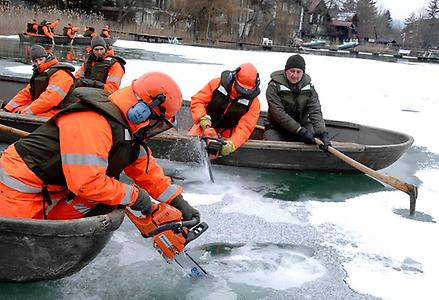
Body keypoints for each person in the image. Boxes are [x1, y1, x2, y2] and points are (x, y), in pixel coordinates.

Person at [0, 71, 200, 223]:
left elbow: (148, 173)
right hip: (20, 187)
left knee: (107, 198)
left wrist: (178, 203)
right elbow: (87, 183)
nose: (156, 128)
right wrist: (136, 196)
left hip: (54, 187)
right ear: (142, 111)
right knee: (17, 244)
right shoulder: (92, 122)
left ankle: (57, 229)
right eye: (158, 122)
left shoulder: (127, 132)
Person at [189, 63, 261, 157]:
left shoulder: (254, 104)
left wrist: (232, 144)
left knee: (222, 152)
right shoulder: (216, 83)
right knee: (190, 144)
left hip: (228, 136)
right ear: (234, 77)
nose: (242, 92)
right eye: (240, 88)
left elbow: (245, 129)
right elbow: (198, 101)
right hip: (204, 126)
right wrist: (203, 118)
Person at [264, 54, 331, 151]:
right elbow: (278, 113)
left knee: (315, 140)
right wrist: (299, 130)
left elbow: (315, 111)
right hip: (277, 128)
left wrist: (322, 132)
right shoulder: (273, 87)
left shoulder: (310, 88)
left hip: (303, 126)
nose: (295, 75)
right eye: (292, 71)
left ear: (303, 73)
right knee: (271, 144)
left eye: (298, 72)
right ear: (286, 71)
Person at [4, 44, 75, 117]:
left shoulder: (60, 73)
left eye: (41, 59)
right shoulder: (42, 73)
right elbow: (26, 93)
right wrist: (7, 109)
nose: (39, 63)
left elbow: (50, 99)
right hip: (50, 109)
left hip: (64, 112)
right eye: (35, 61)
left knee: (22, 112)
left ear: (46, 57)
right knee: (16, 110)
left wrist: (25, 113)